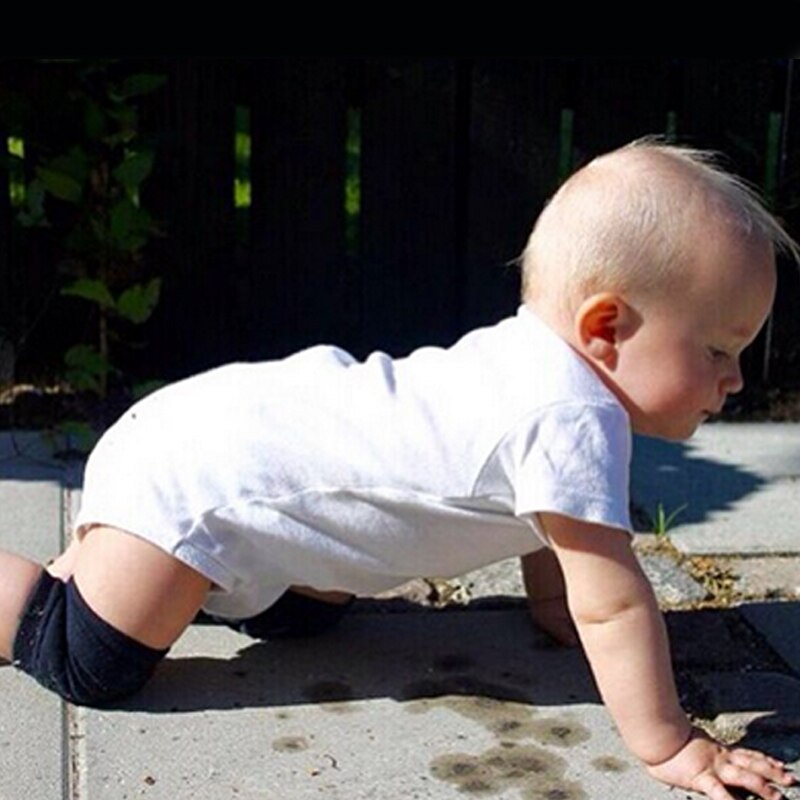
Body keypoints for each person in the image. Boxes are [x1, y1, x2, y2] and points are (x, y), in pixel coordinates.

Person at [1, 139, 796, 800]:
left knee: (310, 619)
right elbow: (614, 608)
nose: (735, 379)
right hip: (196, 488)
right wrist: (671, 745)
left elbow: (552, 535)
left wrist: (552, 609)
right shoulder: (569, 417)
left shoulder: (539, 376)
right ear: (607, 326)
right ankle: (60, 583)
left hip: (239, 473)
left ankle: (139, 572)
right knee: (86, 659)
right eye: (719, 351)